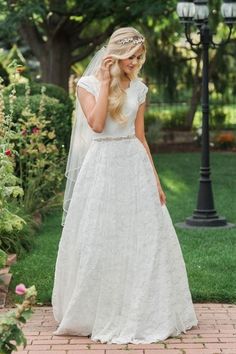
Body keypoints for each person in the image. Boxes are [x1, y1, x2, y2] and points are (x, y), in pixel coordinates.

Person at [52, 27, 198, 344]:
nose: (135, 62)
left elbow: (141, 137)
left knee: (144, 236)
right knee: (99, 235)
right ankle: (93, 309)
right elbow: (96, 124)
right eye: (131, 56)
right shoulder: (87, 84)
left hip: (134, 164)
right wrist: (105, 83)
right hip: (102, 165)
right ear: (116, 54)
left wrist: (156, 181)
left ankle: (143, 306)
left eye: (139, 57)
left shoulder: (140, 89)